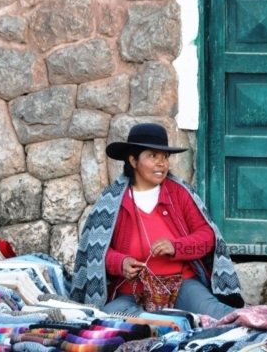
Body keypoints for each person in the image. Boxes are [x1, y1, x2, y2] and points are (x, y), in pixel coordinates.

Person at [71, 122, 244, 319]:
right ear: (133, 160)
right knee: (110, 316)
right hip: (131, 291)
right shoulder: (111, 201)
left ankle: (165, 324)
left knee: (223, 317)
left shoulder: (180, 193)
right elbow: (95, 250)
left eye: (165, 157)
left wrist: (176, 246)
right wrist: (121, 262)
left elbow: (207, 238)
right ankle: (165, 324)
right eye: (153, 156)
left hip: (183, 284)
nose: (162, 163)